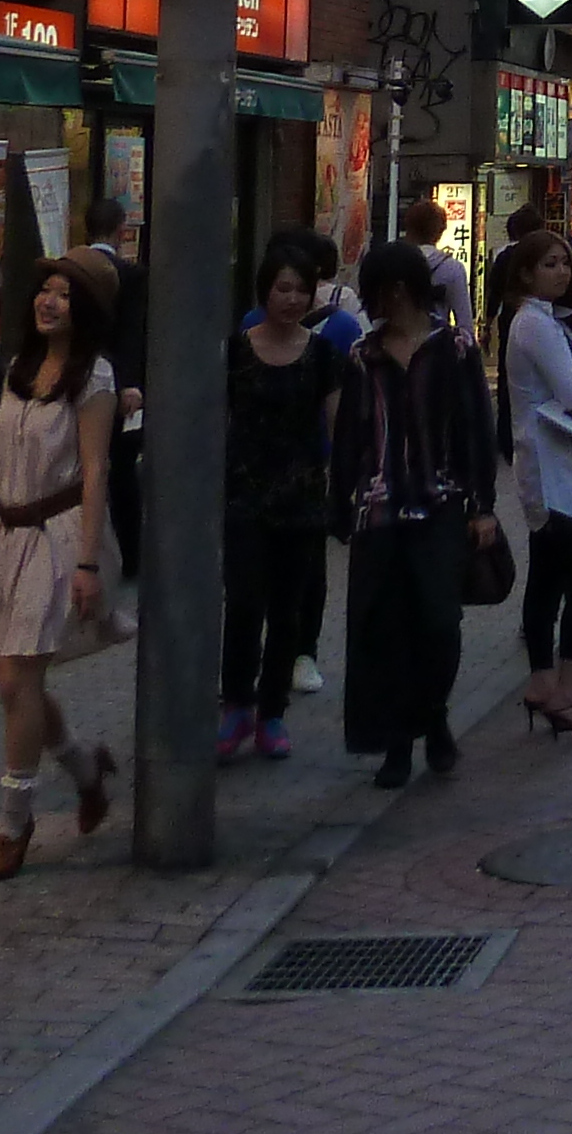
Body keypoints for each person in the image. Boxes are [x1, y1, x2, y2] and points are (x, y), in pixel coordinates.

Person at [0, 252, 123, 882]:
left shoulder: (95, 377)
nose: (49, 301)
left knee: (16, 684)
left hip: (57, 535)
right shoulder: (18, 369)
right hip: (10, 533)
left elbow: (95, 471)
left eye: (64, 293)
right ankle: (87, 771)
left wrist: (88, 561)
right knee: (17, 680)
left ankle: (14, 821)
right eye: (44, 291)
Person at [330, 238, 498, 790]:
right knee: (385, 631)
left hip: (441, 505)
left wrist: (482, 505)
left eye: (374, 290)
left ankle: (434, 714)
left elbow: (477, 427)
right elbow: (350, 434)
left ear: (397, 290)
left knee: (438, 623)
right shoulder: (363, 355)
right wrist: (340, 505)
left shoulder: (454, 350)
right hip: (378, 512)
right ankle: (399, 744)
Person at [216, 242, 345, 764]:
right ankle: (236, 705)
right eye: (282, 288)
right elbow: (216, 419)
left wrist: (342, 485)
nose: (292, 299)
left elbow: (337, 426)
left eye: (301, 290)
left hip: (301, 497)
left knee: (287, 611)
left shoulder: (323, 355)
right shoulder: (236, 350)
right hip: (244, 494)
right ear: (264, 292)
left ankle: (272, 712)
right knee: (244, 602)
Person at [499, 232, 572, 737]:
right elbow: (571, 392)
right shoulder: (535, 325)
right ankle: (566, 691)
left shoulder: (540, 322)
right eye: (549, 264)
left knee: (547, 574)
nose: (561, 273)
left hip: (550, 460)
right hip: (550, 465)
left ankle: (542, 682)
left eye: (564, 264)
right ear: (525, 273)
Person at [77, 209, 150, 578]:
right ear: (121, 231)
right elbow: (132, 333)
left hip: (75, 379)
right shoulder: (131, 274)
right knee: (120, 470)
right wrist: (130, 383)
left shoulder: (70, 267)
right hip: (117, 383)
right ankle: (130, 555)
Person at [401, 194, 474, 348]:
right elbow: (465, 324)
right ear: (440, 230)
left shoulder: (392, 262)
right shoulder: (452, 268)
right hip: (437, 350)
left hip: (398, 346)